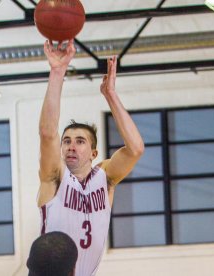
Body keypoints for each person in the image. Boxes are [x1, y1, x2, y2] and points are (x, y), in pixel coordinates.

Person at [38, 39, 144, 276]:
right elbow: (47, 134)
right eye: (66, 141)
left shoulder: (105, 178)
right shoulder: (55, 177)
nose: (71, 146)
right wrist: (57, 72)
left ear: (94, 154)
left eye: (80, 141)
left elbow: (135, 148)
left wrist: (111, 95)